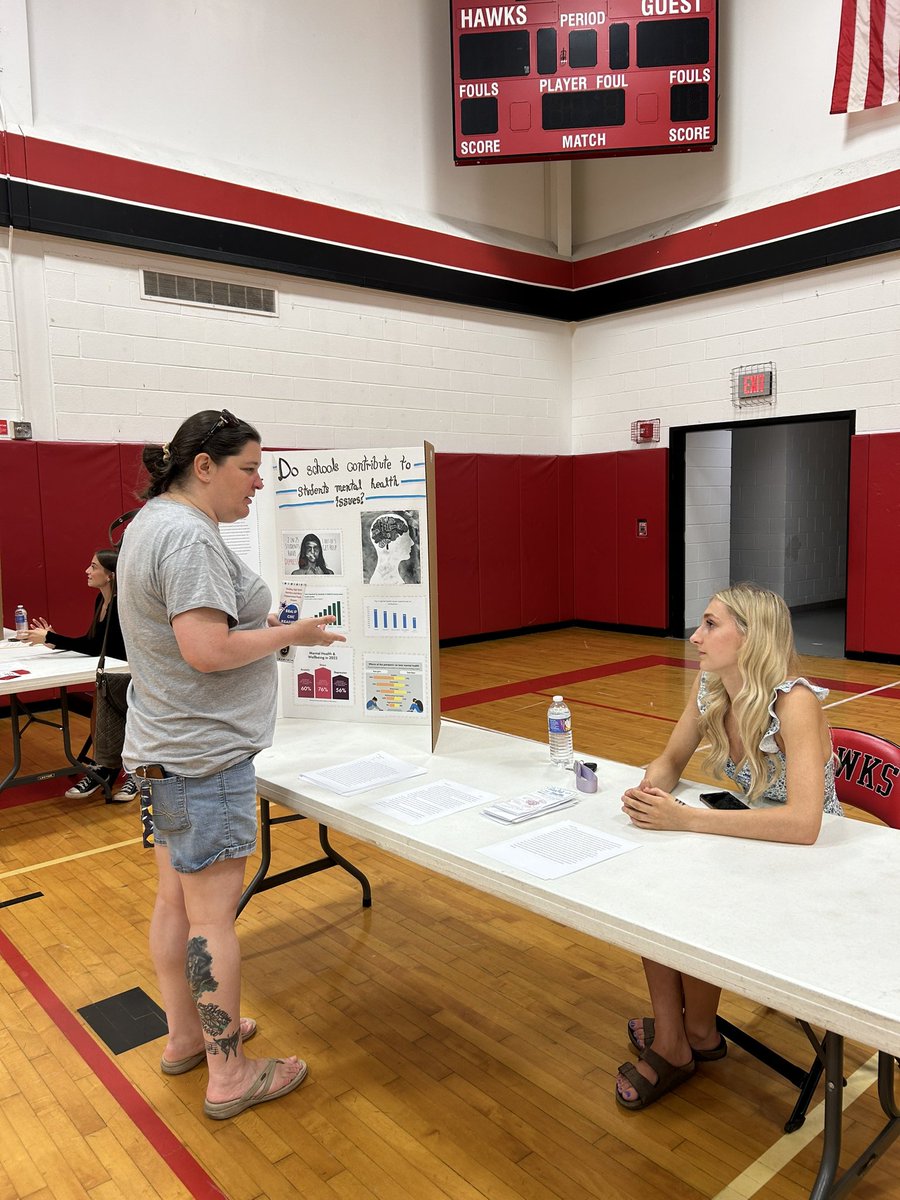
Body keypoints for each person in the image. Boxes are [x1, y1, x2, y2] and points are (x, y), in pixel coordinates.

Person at [117, 408, 346, 1120]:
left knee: (175, 903)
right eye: (248, 469)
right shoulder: (187, 537)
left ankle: (187, 1036)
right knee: (212, 919)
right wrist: (293, 633)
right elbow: (207, 650)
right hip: (202, 757)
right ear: (204, 466)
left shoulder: (152, 523)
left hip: (165, 749)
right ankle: (228, 1071)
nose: (257, 483)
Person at [615, 583, 841, 1112]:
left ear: (751, 636)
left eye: (711, 624)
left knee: (687, 896)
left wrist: (686, 819)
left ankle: (682, 1037)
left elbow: (807, 824)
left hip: (812, 863)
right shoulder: (712, 686)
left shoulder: (796, 703)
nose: (696, 636)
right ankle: (690, 1031)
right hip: (756, 839)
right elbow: (669, 760)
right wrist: (652, 792)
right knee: (652, 882)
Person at [24, 549, 137, 802]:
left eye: (93, 566)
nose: (88, 571)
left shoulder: (122, 604)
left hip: (132, 679)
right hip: (114, 677)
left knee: (105, 694)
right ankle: (106, 769)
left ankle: (129, 773)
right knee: (104, 691)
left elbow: (104, 649)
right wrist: (55, 642)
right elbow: (92, 642)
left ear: (110, 575)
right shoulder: (102, 601)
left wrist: (52, 638)